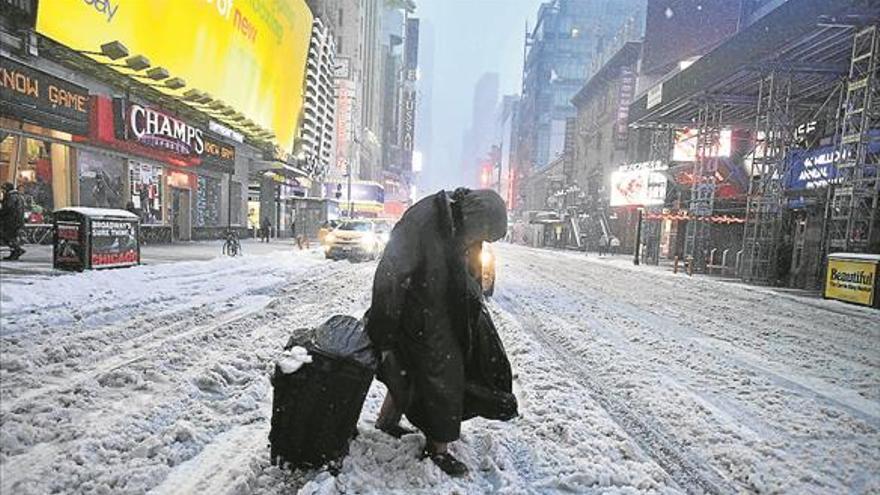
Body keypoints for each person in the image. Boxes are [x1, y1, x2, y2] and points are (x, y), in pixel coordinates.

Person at [366, 188, 515, 477]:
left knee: (407, 368)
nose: (477, 242)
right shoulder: (423, 221)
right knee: (444, 375)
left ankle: (387, 420)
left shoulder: (459, 221)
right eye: (480, 235)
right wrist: (383, 330)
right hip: (415, 311)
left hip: (438, 308)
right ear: (474, 219)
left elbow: (468, 270)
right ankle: (438, 449)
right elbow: (390, 275)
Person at [0, 183, 26, 260]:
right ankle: (15, 251)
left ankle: (17, 250)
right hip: (15, 221)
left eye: (3, 189)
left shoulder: (12, 197)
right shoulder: (17, 196)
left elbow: (8, 208)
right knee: (10, 237)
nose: (2, 191)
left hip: (11, 221)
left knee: (8, 236)